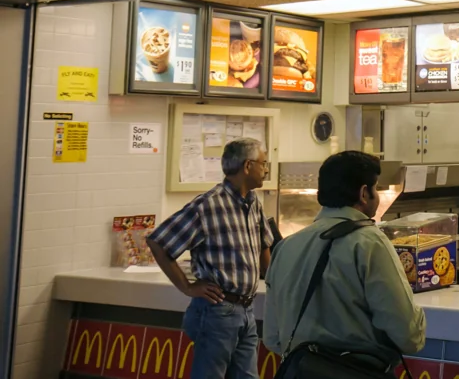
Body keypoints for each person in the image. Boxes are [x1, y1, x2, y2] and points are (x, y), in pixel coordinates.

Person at [264, 151, 425, 366]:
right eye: (375, 188)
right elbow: (408, 335)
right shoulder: (370, 243)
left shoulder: (285, 247)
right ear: (363, 193)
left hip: (301, 371)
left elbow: (273, 338)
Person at [147, 139, 273, 379]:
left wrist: (276, 282)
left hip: (246, 309)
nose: (266, 170)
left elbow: (264, 244)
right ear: (248, 166)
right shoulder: (207, 206)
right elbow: (158, 242)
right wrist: (187, 287)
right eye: (263, 164)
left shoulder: (253, 202)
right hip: (218, 312)